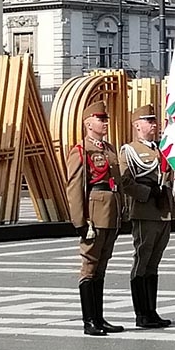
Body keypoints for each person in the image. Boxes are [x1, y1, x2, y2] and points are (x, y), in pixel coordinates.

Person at [66, 101, 124, 336]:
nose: (105, 123)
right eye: (100, 119)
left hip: (110, 213)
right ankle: (89, 320)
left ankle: (99, 317)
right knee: (89, 266)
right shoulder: (81, 150)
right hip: (94, 214)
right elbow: (75, 187)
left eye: (105, 119)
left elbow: (116, 183)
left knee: (102, 266)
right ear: (88, 123)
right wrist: (80, 221)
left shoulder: (109, 149)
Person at [119, 103, 173, 329]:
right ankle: (141, 312)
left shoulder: (161, 149)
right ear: (136, 125)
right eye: (149, 121)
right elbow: (125, 181)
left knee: (154, 263)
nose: (154, 125)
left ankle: (152, 310)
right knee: (142, 260)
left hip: (162, 211)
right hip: (145, 210)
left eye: (155, 121)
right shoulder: (129, 150)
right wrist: (147, 192)